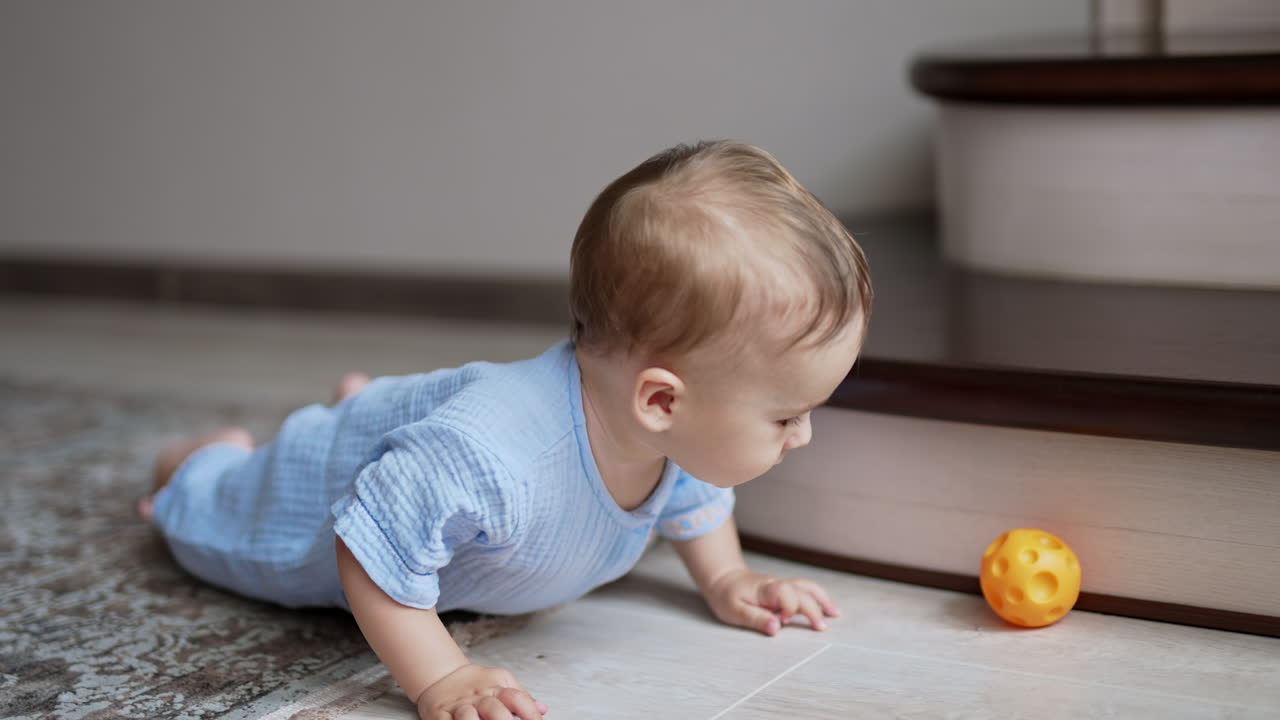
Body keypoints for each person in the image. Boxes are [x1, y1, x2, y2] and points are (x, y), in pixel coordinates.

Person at [140, 140, 873, 720]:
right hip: (304, 502)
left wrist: (727, 576)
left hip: (426, 453)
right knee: (211, 503)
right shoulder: (494, 457)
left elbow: (693, 490)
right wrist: (441, 677)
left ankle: (369, 409)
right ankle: (201, 458)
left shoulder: (666, 433)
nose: (803, 435)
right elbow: (364, 547)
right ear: (660, 401)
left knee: (413, 458)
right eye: (787, 416)